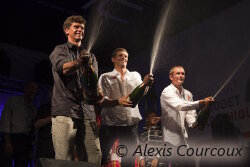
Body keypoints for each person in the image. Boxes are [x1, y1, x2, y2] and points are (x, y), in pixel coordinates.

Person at [49, 15, 101, 164]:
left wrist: (98, 91)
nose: (80, 30)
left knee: (94, 157)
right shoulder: (60, 49)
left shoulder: (91, 56)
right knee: (64, 158)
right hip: (65, 110)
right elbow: (63, 69)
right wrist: (79, 62)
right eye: (76, 27)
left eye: (82, 28)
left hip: (87, 112)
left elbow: (93, 84)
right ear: (67, 30)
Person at [98, 48, 154, 167]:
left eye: (126, 56)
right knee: (101, 156)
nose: (123, 57)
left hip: (131, 126)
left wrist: (145, 84)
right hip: (110, 125)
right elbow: (101, 101)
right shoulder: (105, 77)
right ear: (113, 59)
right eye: (120, 55)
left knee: (130, 159)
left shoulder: (135, 75)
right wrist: (118, 101)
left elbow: (141, 92)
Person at [160, 66, 214, 166]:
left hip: (184, 141)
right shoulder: (166, 92)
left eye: (183, 74)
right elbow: (180, 105)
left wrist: (195, 123)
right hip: (171, 141)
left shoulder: (188, 94)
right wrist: (202, 102)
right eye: (178, 73)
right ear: (171, 77)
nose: (181, 76)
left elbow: (190, 115)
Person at [0, 81, 38, 167]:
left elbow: (32, 129)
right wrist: (7, 142)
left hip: (24, 141)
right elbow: (5, 121)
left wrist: (30, 148)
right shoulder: (13, 101)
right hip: (11, 138)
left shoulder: (33, 107)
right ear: (25, 89)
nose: (34, 91)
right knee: (5, 163)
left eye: (36, 89)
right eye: (32, 88)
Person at [34, 88, 54, 160]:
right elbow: (36, 124)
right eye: (53, 92)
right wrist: (52, 117)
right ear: (50, 94)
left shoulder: (62, 109)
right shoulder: (43, 108)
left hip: (57, 144)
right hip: (44, 143)